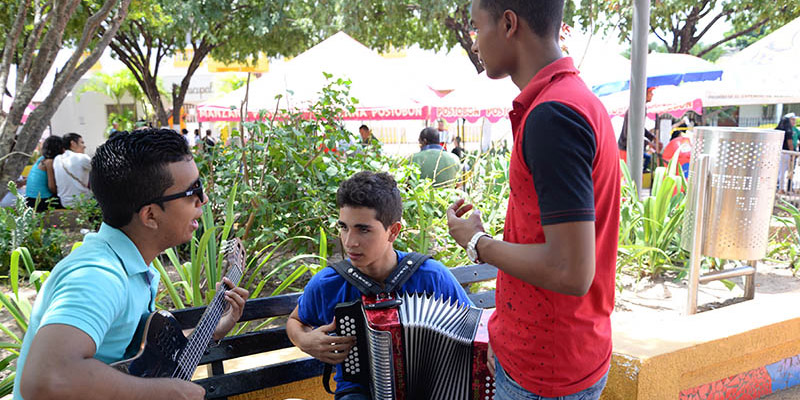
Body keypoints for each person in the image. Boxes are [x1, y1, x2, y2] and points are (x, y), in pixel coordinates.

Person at [446, 1, 619, 399]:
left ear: (509, 23)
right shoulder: (576, 100)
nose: (475, 44)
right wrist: (505, 339)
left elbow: (570, 270)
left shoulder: (553, 116)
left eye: (476, 27)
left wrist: (477, 243)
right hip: (553, 354)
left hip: (547, 372)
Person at [14, 129, 249, 400]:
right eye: (192, 191)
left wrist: (211, 330)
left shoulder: (130, 266)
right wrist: (161, 392)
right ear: (150, 215)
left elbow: (132, 359)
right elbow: (46, 379)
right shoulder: (98, 276)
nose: (203, 200)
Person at [286, 171, 472, 400]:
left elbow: (474, 327)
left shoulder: (432, 276)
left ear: (393, 231)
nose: (349, 241)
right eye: (344, 227)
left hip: (433, 389)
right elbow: (296, 321)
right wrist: (304, 340)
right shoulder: (328, 284)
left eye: (363, 229)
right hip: (358, 391)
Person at [618, 87, 657, 171]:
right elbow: (630, 133)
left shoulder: (641, 107)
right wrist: (649, 143)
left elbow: (639, 128)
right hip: (626, 149)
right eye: (650, 92)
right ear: (643, 94)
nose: (652, 94)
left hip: (628, 149)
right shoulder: (637, 108)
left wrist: (652, 137)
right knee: (626, 178)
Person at [25, 136, 65, 211]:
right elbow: (52, 187)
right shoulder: (49, 162)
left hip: (29, 199)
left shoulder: (41, 159)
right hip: (40, 201)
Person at [53, 133, 92, 207]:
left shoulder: (57, 159)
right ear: (73, 143)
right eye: (82, 142)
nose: (84, 146)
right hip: (83, 202)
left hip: (65, 203)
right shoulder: (82, 158)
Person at [777, 113, 797, 193]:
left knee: (781, 172)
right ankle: (784, 188)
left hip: (780, 152)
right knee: (789, 171)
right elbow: (790, 143)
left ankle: (781, 188)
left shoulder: (778, 129)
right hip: (787, 153)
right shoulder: (788, 131)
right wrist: (792, 153)